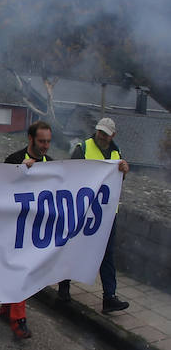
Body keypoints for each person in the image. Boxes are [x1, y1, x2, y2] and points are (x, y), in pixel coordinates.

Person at [58, 118, 131, 313]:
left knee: (107, 254)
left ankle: (109, 297)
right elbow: (70, 174)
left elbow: (118, 180)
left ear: (112, 135)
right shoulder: (83, 148)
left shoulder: (116, 153)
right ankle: (64, 287)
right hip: (83, 209)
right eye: (99, 132)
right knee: (74, 247)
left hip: (106, 212)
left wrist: (124, 171)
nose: (101, 136)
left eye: (105, 133)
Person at [1, 120, 55, 339]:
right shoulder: (14, 160)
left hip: (35, 230)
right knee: (19, 273)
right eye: (41, 141)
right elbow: (0, 190)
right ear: (31, 139)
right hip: (13, 228)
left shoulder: (51, 164)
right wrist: (21, 172)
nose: (45, 146)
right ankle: (18, 321)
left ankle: (7, 311)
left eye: (48, 142)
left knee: (21, 273)